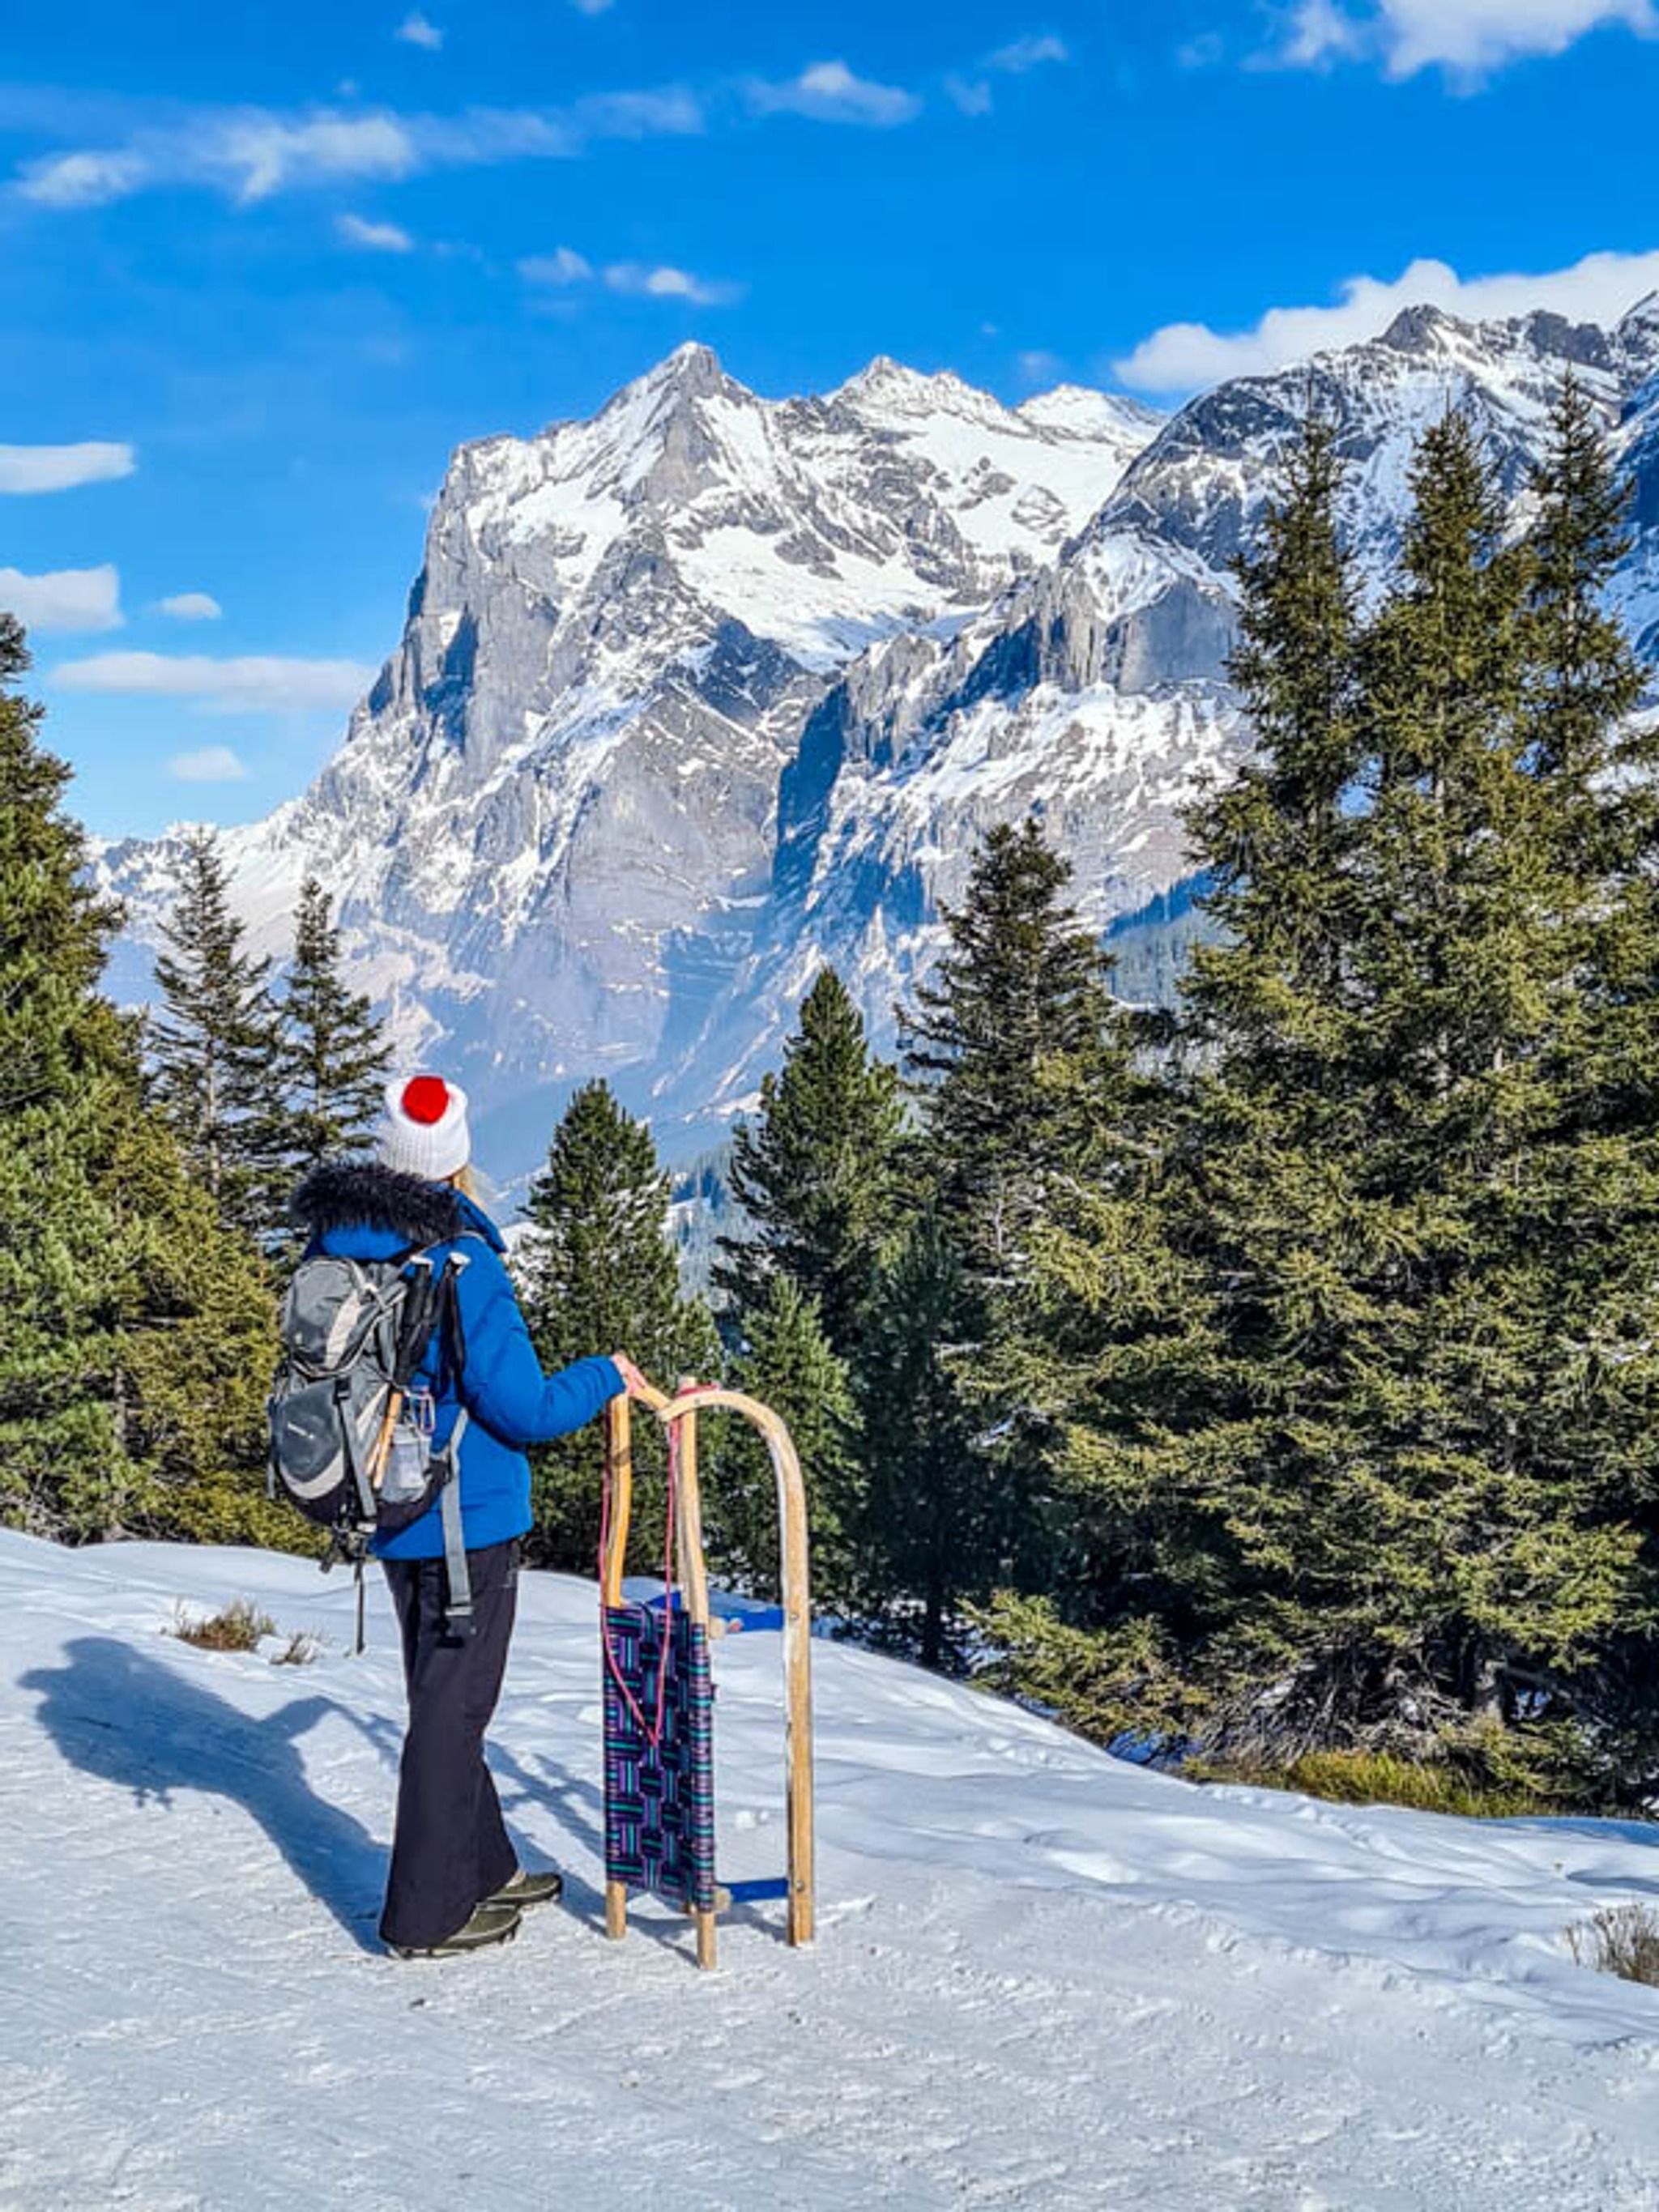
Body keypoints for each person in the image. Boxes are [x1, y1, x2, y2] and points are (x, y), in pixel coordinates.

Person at [291, 1072, 651, 1960]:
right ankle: (425, 1914)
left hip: (390, 1507)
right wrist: (606, 1374)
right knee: (451, 1714)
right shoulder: (462, 1261)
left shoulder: (337, 1246)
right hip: (466, 1522)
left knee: (443, 1701)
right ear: (457, 1161)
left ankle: (483, 1865)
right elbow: (523, 1407)